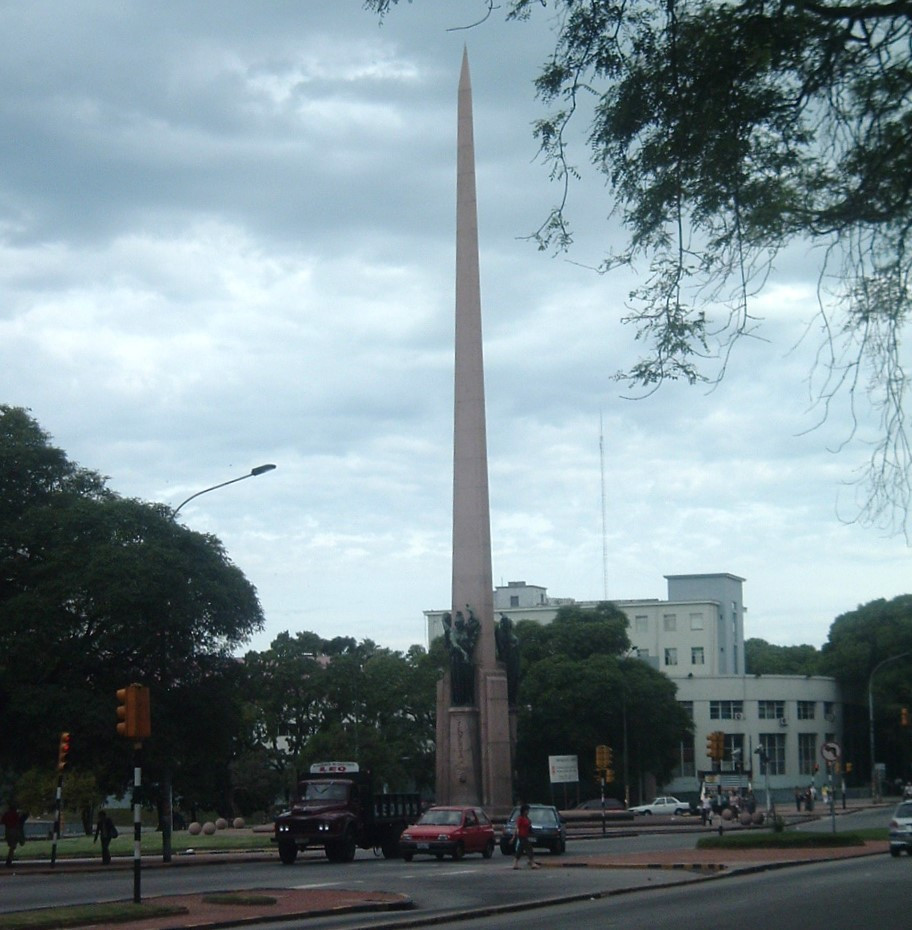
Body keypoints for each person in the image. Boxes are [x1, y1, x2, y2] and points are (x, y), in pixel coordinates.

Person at [512, 804, 539, 870]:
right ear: (524, 811)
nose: (528, 812)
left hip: (525, 835)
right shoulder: (520, 818)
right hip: (522, 835)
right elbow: (517, 827)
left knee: (520, 850)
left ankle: (515, 863)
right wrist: (513, 837)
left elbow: (529, 826)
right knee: (529, 848)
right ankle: (532, 863)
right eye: (527, 810)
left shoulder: (526, 818)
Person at [2, 801, 22, 868]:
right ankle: (9, 861)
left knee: (11, 846)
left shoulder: (6, 814)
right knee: (12, 846)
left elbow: (2, 821)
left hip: (7, 830)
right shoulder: (15, 814)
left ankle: (9, 860)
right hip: (13, 830)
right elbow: (18, 822)